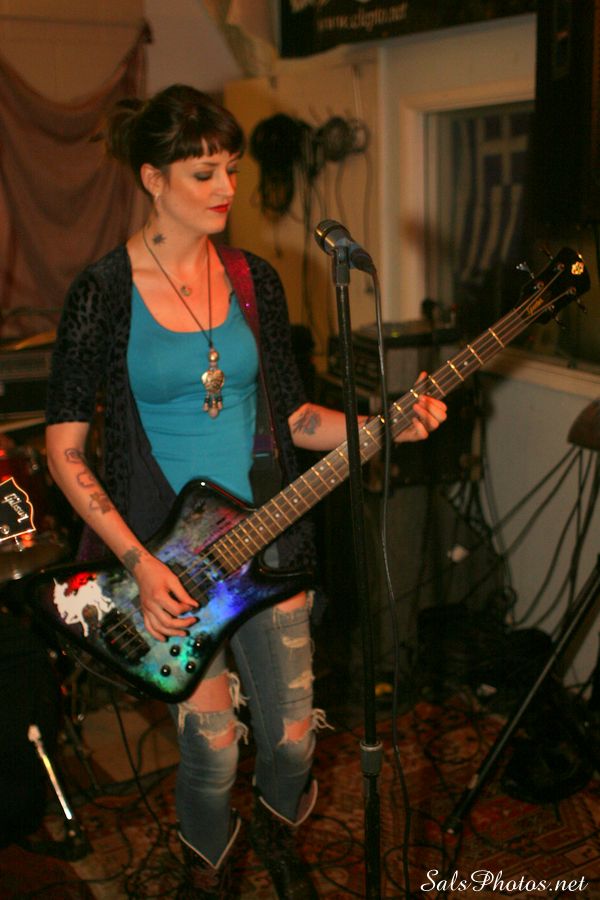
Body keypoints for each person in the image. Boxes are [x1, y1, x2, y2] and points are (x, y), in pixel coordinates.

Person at [45, 84, 447, 899]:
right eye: (204, 173)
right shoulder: (103, 292)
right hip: (169, 557)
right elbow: (64, 450)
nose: (227, 187)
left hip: (270, 537)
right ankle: (209, 872)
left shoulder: (254, 279)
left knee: (294, 740)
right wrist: (138, 563)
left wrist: (386, 426)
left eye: (231, 168)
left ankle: (273, 832)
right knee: (214, 747)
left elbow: (295, 417)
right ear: (153, 178)